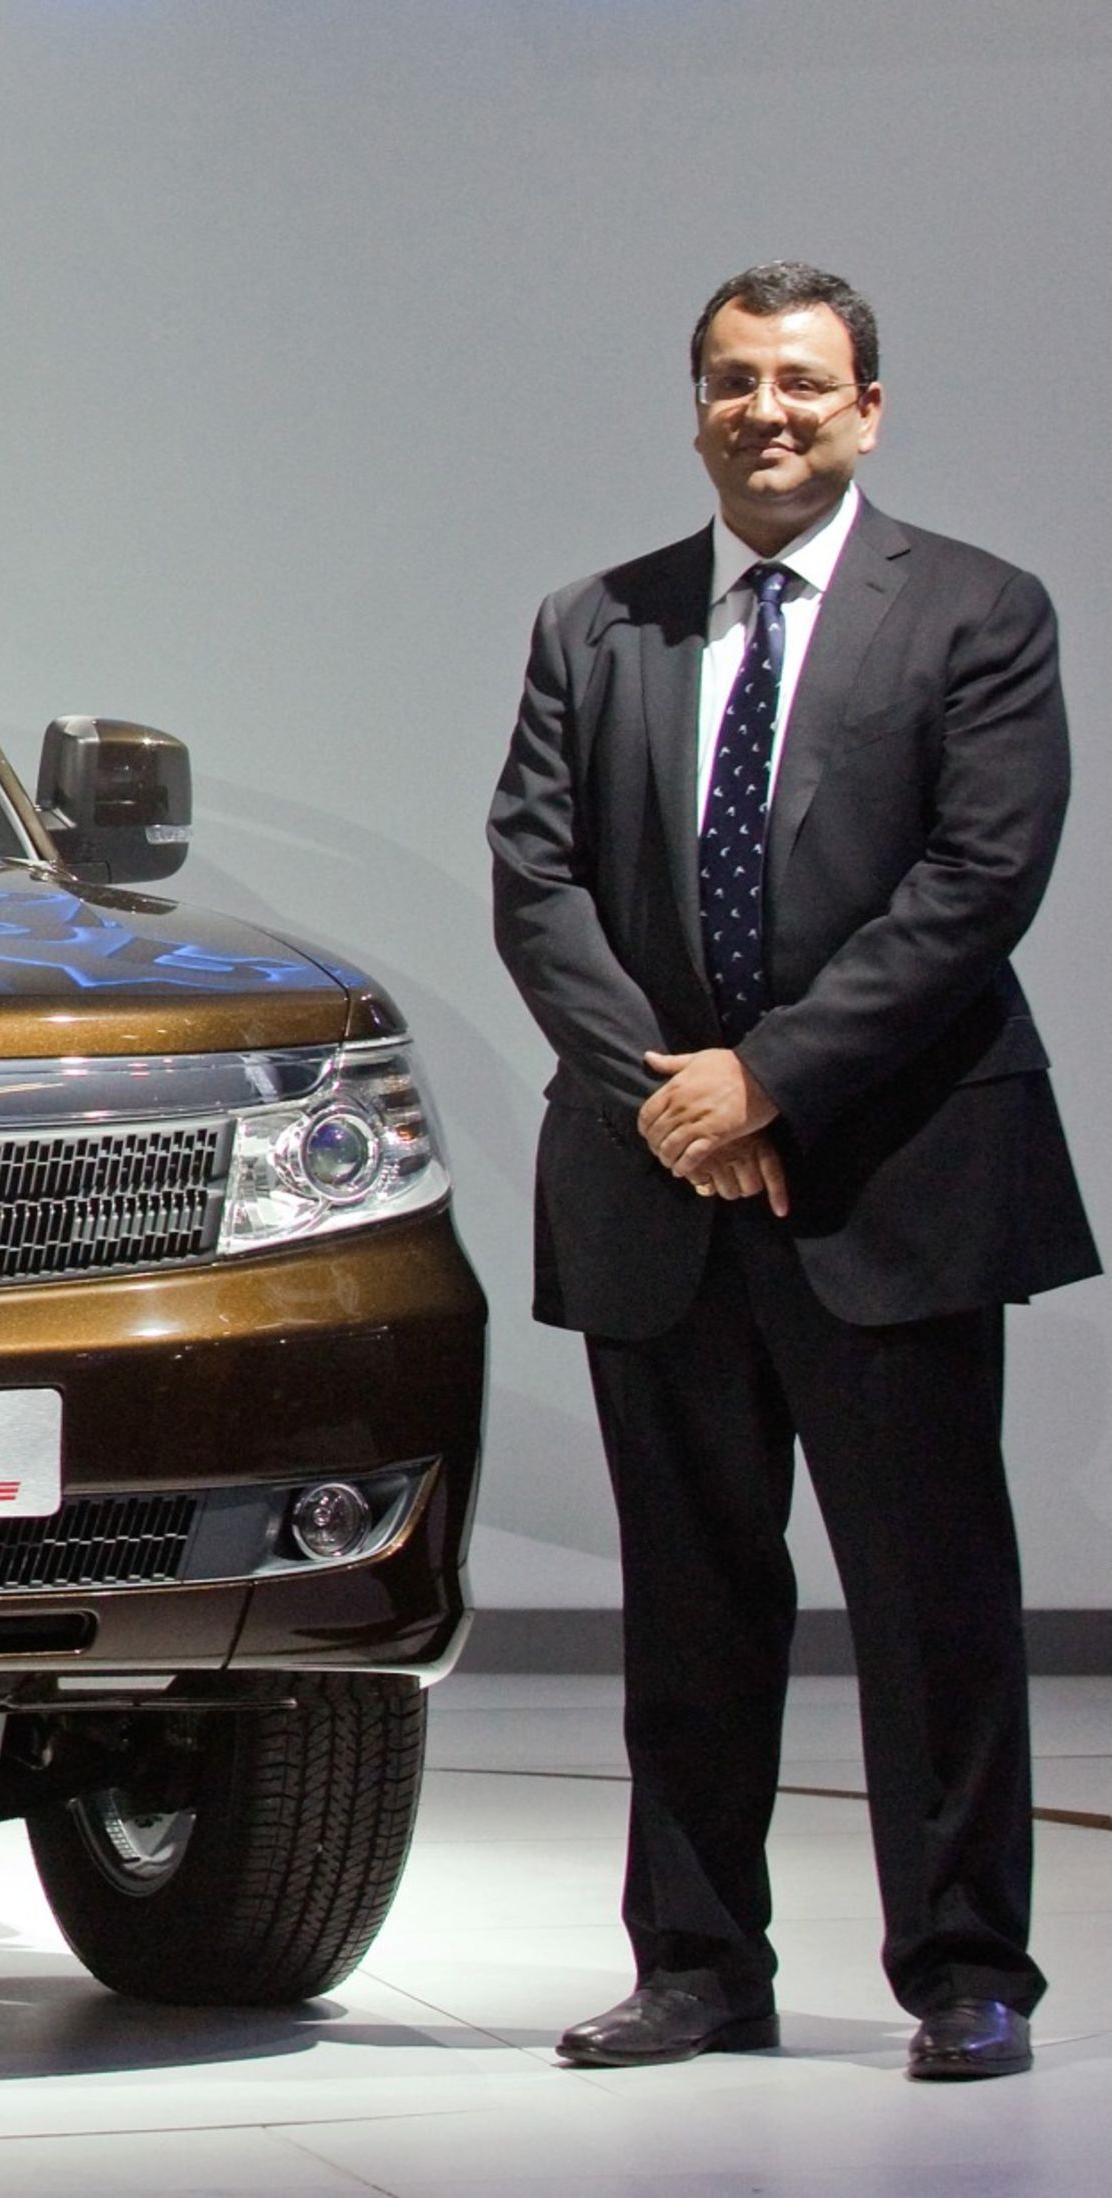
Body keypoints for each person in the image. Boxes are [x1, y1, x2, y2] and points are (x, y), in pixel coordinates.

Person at [488, 261, 1095, 2083]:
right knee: (690, 1598)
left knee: (930, 1599)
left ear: (868, 411)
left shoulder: (979, 611)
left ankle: (968, 1967)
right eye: (735, 379)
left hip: (889, 1180)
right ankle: (696, 1963)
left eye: (805, 382)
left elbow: (978, 883)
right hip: (654, 1187)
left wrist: (770, 1081)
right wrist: (675, 1100)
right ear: (697, 406)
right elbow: (538, 883)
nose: (768, 410)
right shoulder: (596, 623)